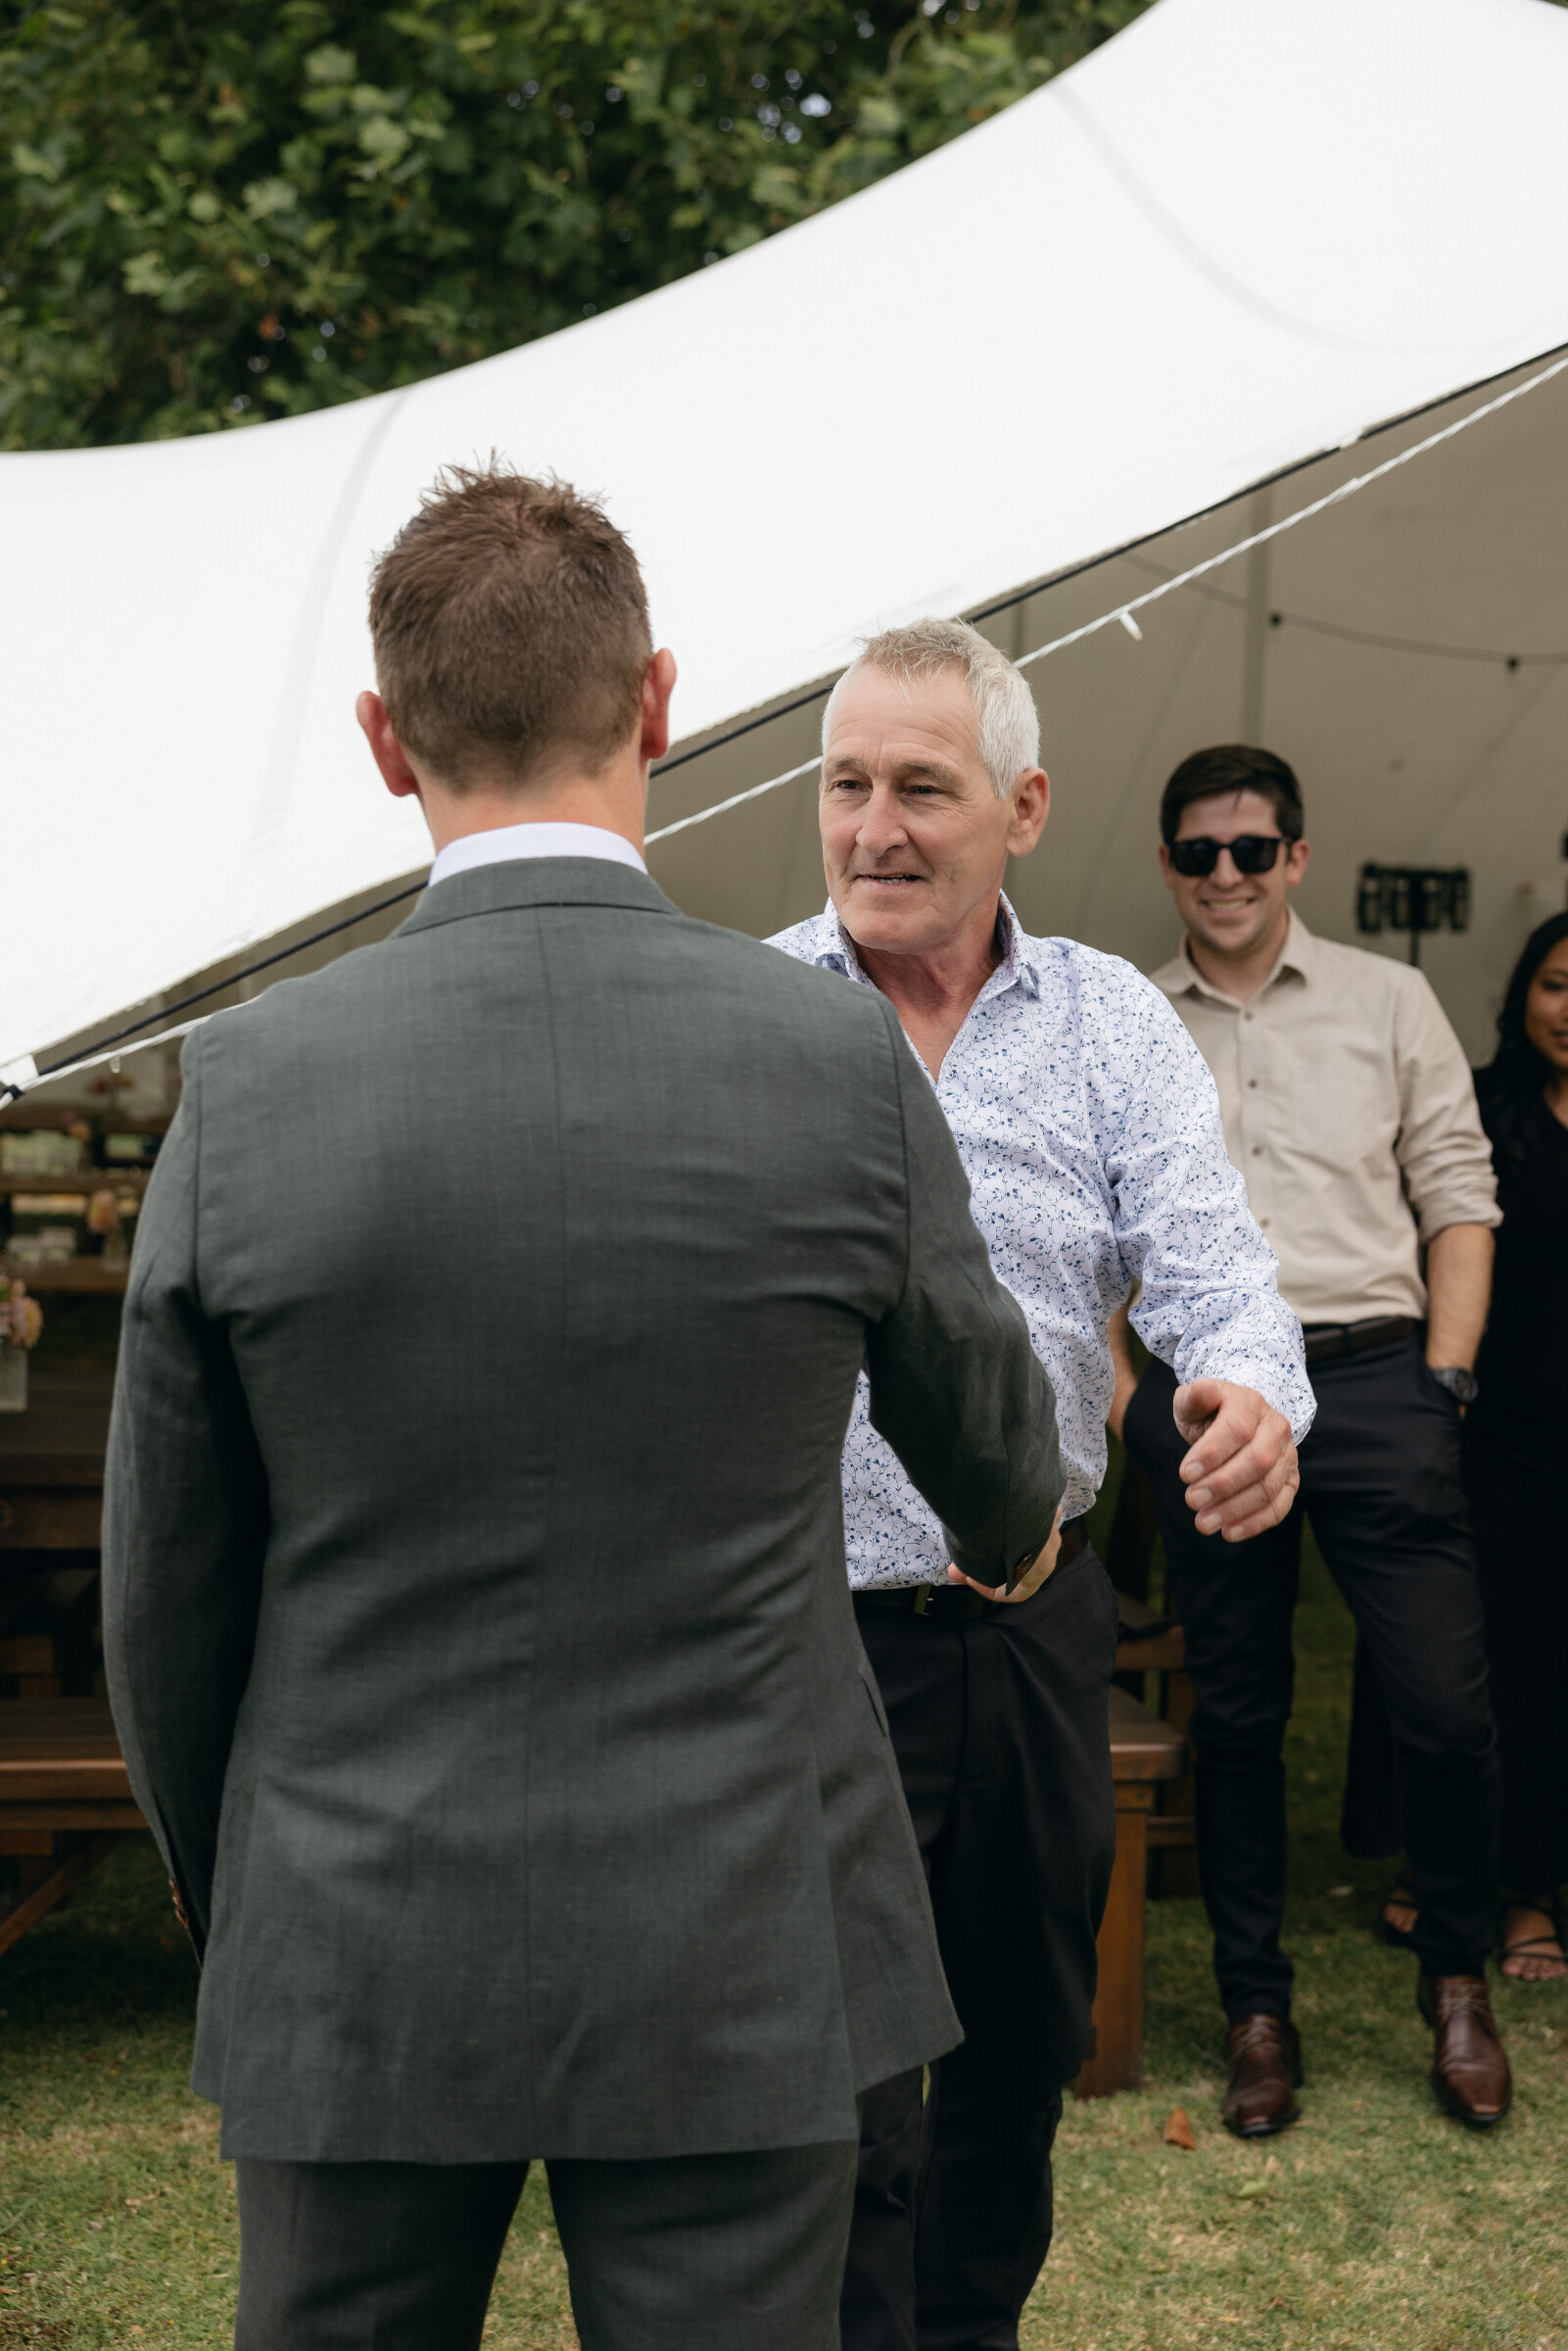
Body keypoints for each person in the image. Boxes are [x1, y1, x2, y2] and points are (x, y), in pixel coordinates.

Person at [101, 472, 1069, 2351]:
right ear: (658, 703)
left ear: (385, 741)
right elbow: (1000, 1470)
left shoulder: (252, 1087)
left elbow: (164, 1601)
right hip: (742, 1931)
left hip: (359, 1927)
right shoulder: (834, 1060)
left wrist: (259, 1898)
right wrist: (1019, 1537)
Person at [770, 621, 1311, 2351]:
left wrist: (1252, 1392)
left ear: (1022, 807)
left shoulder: (1108, 1023)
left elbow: (1217, 1270)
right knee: (832, 2087)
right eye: (845, 786)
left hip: (1026, 1629)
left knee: (1015, 2054)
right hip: (802, 1644)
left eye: (921, 789)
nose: (874, 829)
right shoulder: (751, 1016)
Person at [1117, 742, 1510, 2137]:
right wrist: (1127, 1403)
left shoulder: (1388, 999)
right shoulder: (1126, 1018)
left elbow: (1458, 1196)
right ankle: (1254, 2011)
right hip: (1208, 1398)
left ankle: (1455, 1975)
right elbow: (1091, 1225)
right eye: (1198, 851)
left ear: (1294, 856)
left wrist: (1445, 1379)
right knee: (1236, 1716)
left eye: (1250, 848)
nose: (1224, 873)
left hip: (1378, 1379)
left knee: (1445, 1709)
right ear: (1167, 864)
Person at [1464, 911, 1568, 1982]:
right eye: (1555, 985)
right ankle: (1517, 1888)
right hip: (1503, 1443)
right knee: (1517, 1667)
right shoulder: (1484, 1113)